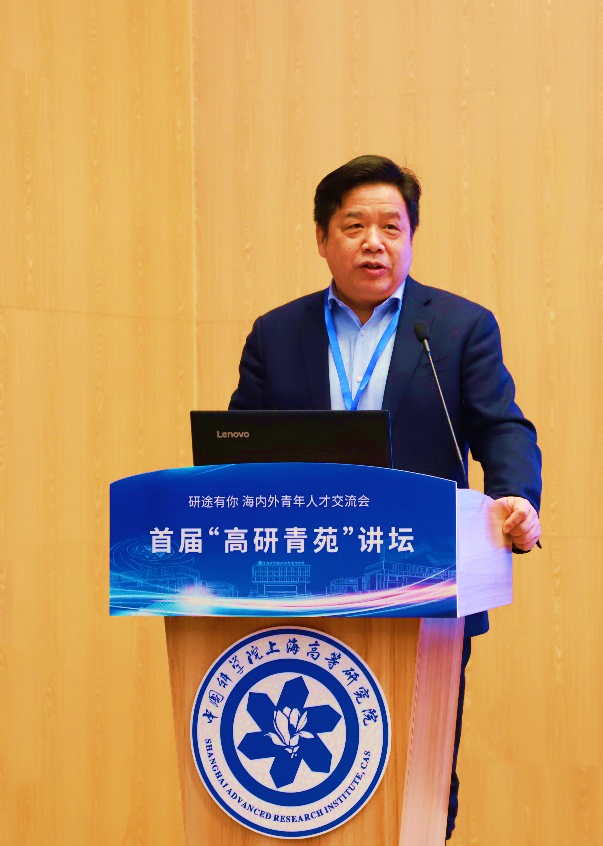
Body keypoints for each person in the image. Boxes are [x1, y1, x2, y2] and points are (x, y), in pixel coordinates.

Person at [228, 154, 542, 838]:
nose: (374, 242)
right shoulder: (276, 334)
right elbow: (237, 450)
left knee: (417, 773)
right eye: (354, 226)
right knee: (308, 775)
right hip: (302, 583)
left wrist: (515, 497)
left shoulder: (455, 328)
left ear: (411, 237)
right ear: (322, 238)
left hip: (423, 579)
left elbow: (501, 426)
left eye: (391, 227)